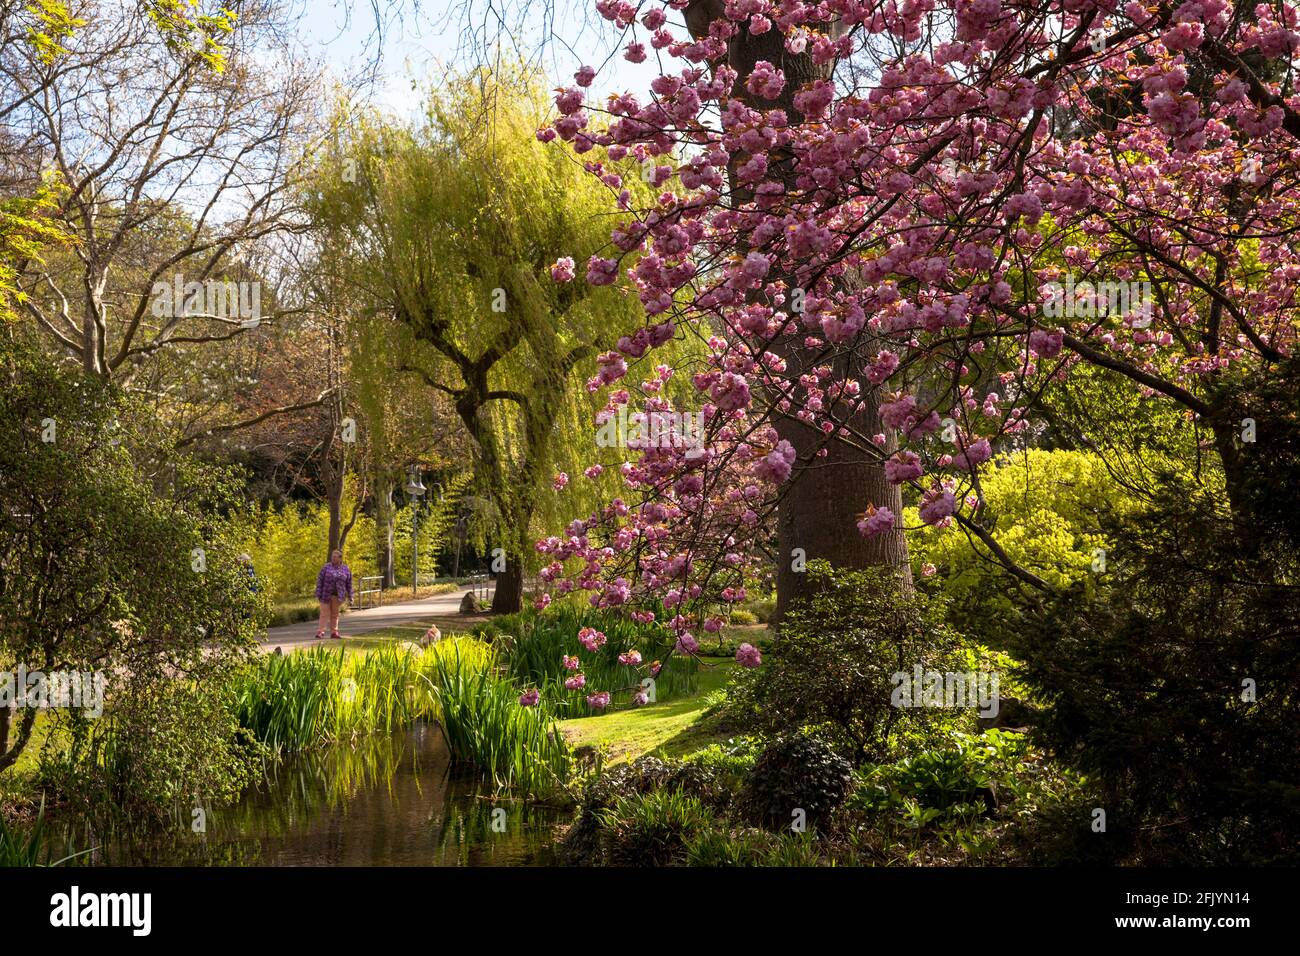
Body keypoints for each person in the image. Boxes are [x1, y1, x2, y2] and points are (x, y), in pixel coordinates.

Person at [314, 548, 353, 640]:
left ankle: (334, 632)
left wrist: (351, 596)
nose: (333, 558)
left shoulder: (345, 569)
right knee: (324, 613)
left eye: (335, 557)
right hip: (325, 594)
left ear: (340, 558)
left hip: (338, 596)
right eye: (332, 557)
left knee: (335, 614)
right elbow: (319, 580)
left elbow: (349, 584)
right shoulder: (326, 567)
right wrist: (318, 593)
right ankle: (320, 632)